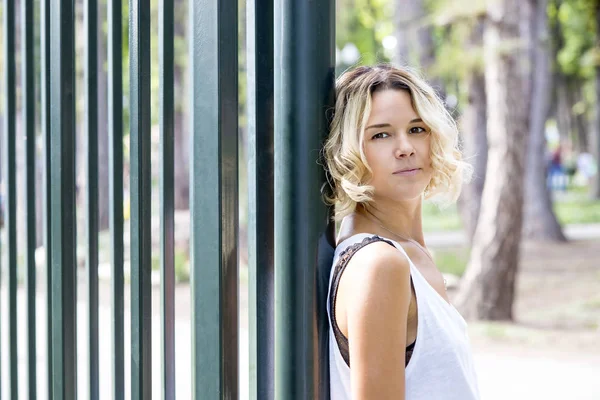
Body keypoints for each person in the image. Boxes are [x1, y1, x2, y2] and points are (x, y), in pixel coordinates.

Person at [322, 64, 480, 400]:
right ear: (348, 151)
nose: (405, 146)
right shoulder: (379, 264)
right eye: (381, 134)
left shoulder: (407, 254)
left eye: (417, 129)